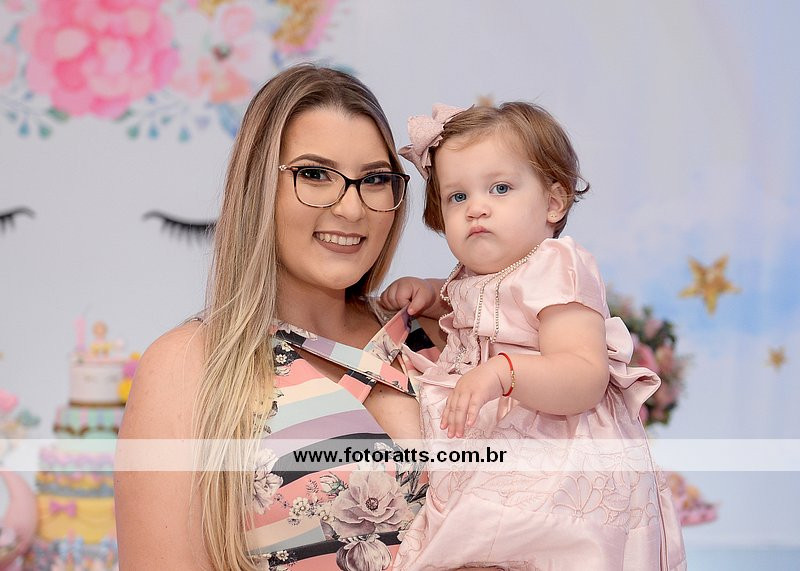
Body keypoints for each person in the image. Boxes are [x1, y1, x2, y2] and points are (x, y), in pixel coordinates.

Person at [114, 64, 447, 570]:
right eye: (314, 174)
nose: (351, 208)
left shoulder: (434, 334)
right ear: (258, 186)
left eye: (375, 179)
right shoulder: (188, 365)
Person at [380, 103, 687, 570]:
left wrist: (504, 372)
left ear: (553, 203)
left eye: (500, 188)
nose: (476, 207)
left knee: (547, 547)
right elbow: (476, 307)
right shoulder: (473, 277)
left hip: (560, 448)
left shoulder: (556, 267)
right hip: (498, 445)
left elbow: (583, 375)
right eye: (457, 196)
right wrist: (429, 293)